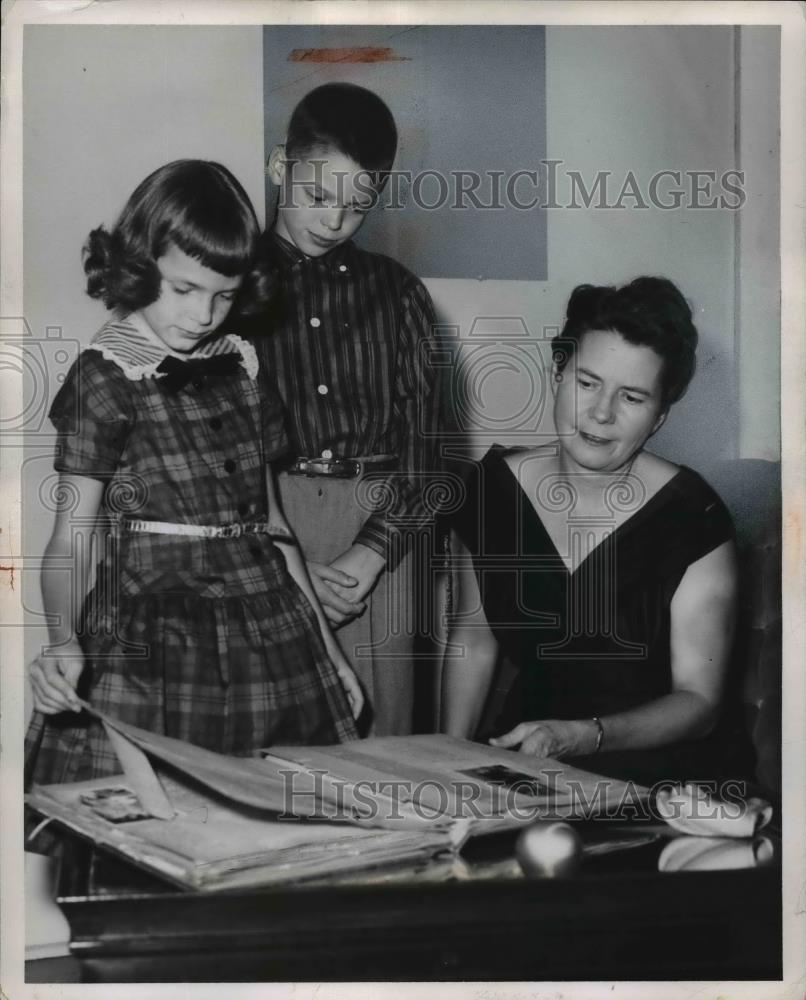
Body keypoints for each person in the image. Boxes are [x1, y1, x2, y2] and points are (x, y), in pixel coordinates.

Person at [26, 160, 362, 794]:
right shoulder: (104, 377)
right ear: (138, 265)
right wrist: (60, 641)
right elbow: (73, 537)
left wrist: (330, 650)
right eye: (183, 290)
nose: (205, 315)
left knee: (271, 831)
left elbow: (275, 526)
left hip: (269, 635)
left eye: (224, 295)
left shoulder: (241, 366)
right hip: (151, 645)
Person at [440, 276, 753, 784]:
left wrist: (580, 736)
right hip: (529, 762)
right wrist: (447, 765)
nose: (601, 414)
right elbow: (474, 640)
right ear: (557, 373)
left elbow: (700, 702)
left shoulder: (695, 516)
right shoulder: (491, 490)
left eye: (632, 397)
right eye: (587, 383)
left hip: (667, 779)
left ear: (658, 418)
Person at [246, 83, 443, 735]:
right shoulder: (227, 287)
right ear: (282, 167)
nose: (333, 222)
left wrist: (372, 554)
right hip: (268, 529)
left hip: (386, 537)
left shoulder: (400, 294)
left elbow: (425, 448)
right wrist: (285, 555)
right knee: (274, 742)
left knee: (383, 746)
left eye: (358, 207)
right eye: (318, 196)